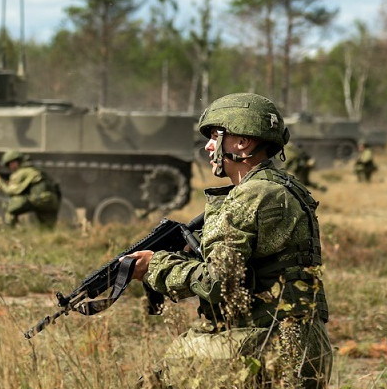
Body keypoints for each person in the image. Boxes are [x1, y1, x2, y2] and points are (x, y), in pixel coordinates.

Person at [123, 93, 332, 388]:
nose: (208, 145)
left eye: (214, 135)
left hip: (262, 345)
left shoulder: (250, 195)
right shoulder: (284, 186)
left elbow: (216, 282)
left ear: (242, 142)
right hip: (303, 346)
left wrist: (155, 265)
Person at [0, 150, 61, 229]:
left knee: (9, 205)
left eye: (9, 164)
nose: (10, 167)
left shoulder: (21, 172)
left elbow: (11, 191)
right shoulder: (36, 169)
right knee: (47, 229)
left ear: (14, 162)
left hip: (38, 199)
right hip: (52, 201)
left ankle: (10, 232)